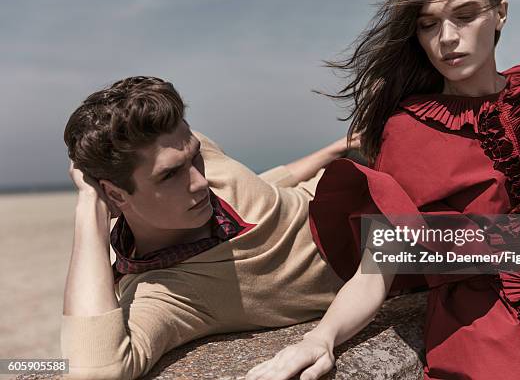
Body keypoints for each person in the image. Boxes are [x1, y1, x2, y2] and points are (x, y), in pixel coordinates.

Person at [246, 0, 520, 379]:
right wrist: (321, 338)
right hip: (484, 342)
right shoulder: (408, 133)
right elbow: (378, 267)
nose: (447, 38)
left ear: (500, 14)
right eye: (429, 23)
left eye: (465, 15)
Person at [61, 76, 359, 379]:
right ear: (114, 194)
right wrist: (90, 206)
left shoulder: (182, 150)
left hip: (355, 170)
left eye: (195, 156)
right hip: (381, 243)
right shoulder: (169, 293)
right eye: (170, 175)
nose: (200, 181)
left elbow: (259, 189)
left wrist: (333, 149)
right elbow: (93, 371)